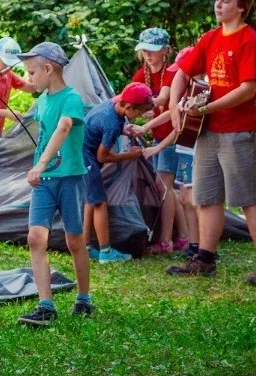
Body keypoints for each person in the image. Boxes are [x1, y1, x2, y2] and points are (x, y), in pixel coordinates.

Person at [167, 0, 256, 284]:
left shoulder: (250, 42)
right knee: (206, 197)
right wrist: (175, 105)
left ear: (241, 7)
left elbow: (247, 89)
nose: (218, 4)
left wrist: (207, 108)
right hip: (206, 131)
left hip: (238, 131)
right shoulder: (210, 38)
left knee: (247, 198)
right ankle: (204, 260)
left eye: (226, 0)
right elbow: (182, 73)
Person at [15, 42, 93, 327]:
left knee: (75, 241)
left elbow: (63, 128)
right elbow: (44, 135)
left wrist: (41, 164)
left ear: (48, 69)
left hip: (69, 179)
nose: (29, 78)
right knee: (36, 238)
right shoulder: (42, 100)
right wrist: (39, 166)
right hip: (45, 183)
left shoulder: (71, 98)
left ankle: (84, 298)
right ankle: (45, 305)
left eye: (32, 72)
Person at [130, 47, 201, 257]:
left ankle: (189, 244)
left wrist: (158, 147)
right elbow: (173, 112)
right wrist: (144, 127)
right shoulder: (188, 90)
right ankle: (190, 242)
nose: (177, 73)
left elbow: (180, 126)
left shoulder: (198, 90)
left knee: (188, 196)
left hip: (188, 145)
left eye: (181, 70)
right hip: (179, 143)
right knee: (183, 195)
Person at [83, 82, 153, 263]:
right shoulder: (112, 122)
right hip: (87, 160)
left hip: (80, 154)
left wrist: (124, 130)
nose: (137, 118)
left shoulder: (112, 104)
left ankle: (85, 247)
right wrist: (129, 155)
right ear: (128, 106)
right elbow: (102, 157)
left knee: (91, 201)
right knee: (99, 203)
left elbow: (100, 128)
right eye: (137, 113)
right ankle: (106, 252)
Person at [131, 28, 183, 254]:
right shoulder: (142, 74)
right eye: (144, 50)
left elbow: (163, 98)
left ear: (165, 50)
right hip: (157, 135)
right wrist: (142, 112)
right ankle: (183, 236)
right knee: (166, 187)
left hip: (174, 134)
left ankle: (165, 240)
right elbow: (132, 98)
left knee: (164, 185)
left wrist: (146, 110)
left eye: (152, 50)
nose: (148, 55)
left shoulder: (172, 72)